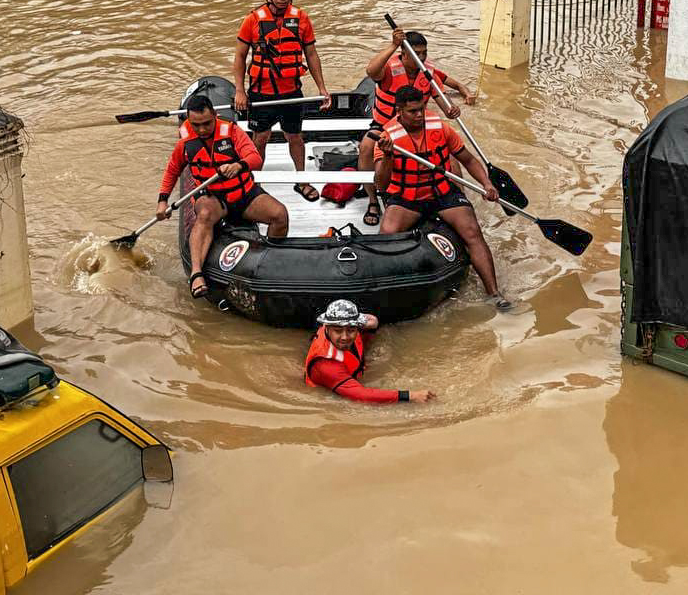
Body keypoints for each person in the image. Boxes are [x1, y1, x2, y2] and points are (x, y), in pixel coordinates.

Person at [374, 86, 507, 306]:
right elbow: (381, 182)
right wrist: (388, 155)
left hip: (442, 193)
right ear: (399, 110)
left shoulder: (440, 128)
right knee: (387, 235)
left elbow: (469, 160)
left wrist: (486, 184)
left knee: (472, 232)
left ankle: (495, 295)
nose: (420, 115)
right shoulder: (387, 137)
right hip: (408, 198)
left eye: (422, 109)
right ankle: (384, 294)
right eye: (413, 111)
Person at [158, 95, 289, 299]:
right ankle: (196, 274)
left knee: (279, 214)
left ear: (215, 116)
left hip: (243, 194)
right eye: (196, 125)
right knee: (204, 214)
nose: (202, 129)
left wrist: (238, 165)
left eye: (207, 123)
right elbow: (172, 171)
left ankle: (272, 261)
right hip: (213, 197)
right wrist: (162, 201)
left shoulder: (232, 132)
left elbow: (254, 157)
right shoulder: (185, 142)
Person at [233, 0, 332, 200]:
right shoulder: (252, 20)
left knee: (295, 137)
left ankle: (302, 180)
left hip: (291, 92)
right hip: (261, 92)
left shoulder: (302, 18)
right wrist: (239, 90)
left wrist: (322, 88)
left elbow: (312, 55)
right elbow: (239, 57)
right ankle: (254, 183)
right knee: (260, 138)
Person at [358, 29, 474, 226]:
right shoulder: (388, 71)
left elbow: (443, 103)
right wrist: (394, 44)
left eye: (424, 53)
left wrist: (452, 110)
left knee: (450, 156)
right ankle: (372, 200)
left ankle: (458, 198)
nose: (421, 57)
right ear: (403, 53)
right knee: (366, 148)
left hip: (417, 124)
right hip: (385, 124)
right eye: (416, 53)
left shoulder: (427, 73)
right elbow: (371, 71)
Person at [304, 299, 435, 403]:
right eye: (338, 331)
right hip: (334, 389)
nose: (344, 337)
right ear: (326, 328)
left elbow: (370, 322)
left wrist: (373, 325)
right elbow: (361, 395)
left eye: (351, 330)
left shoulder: (353, 328)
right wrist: (410, 396)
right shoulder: (325, 366)